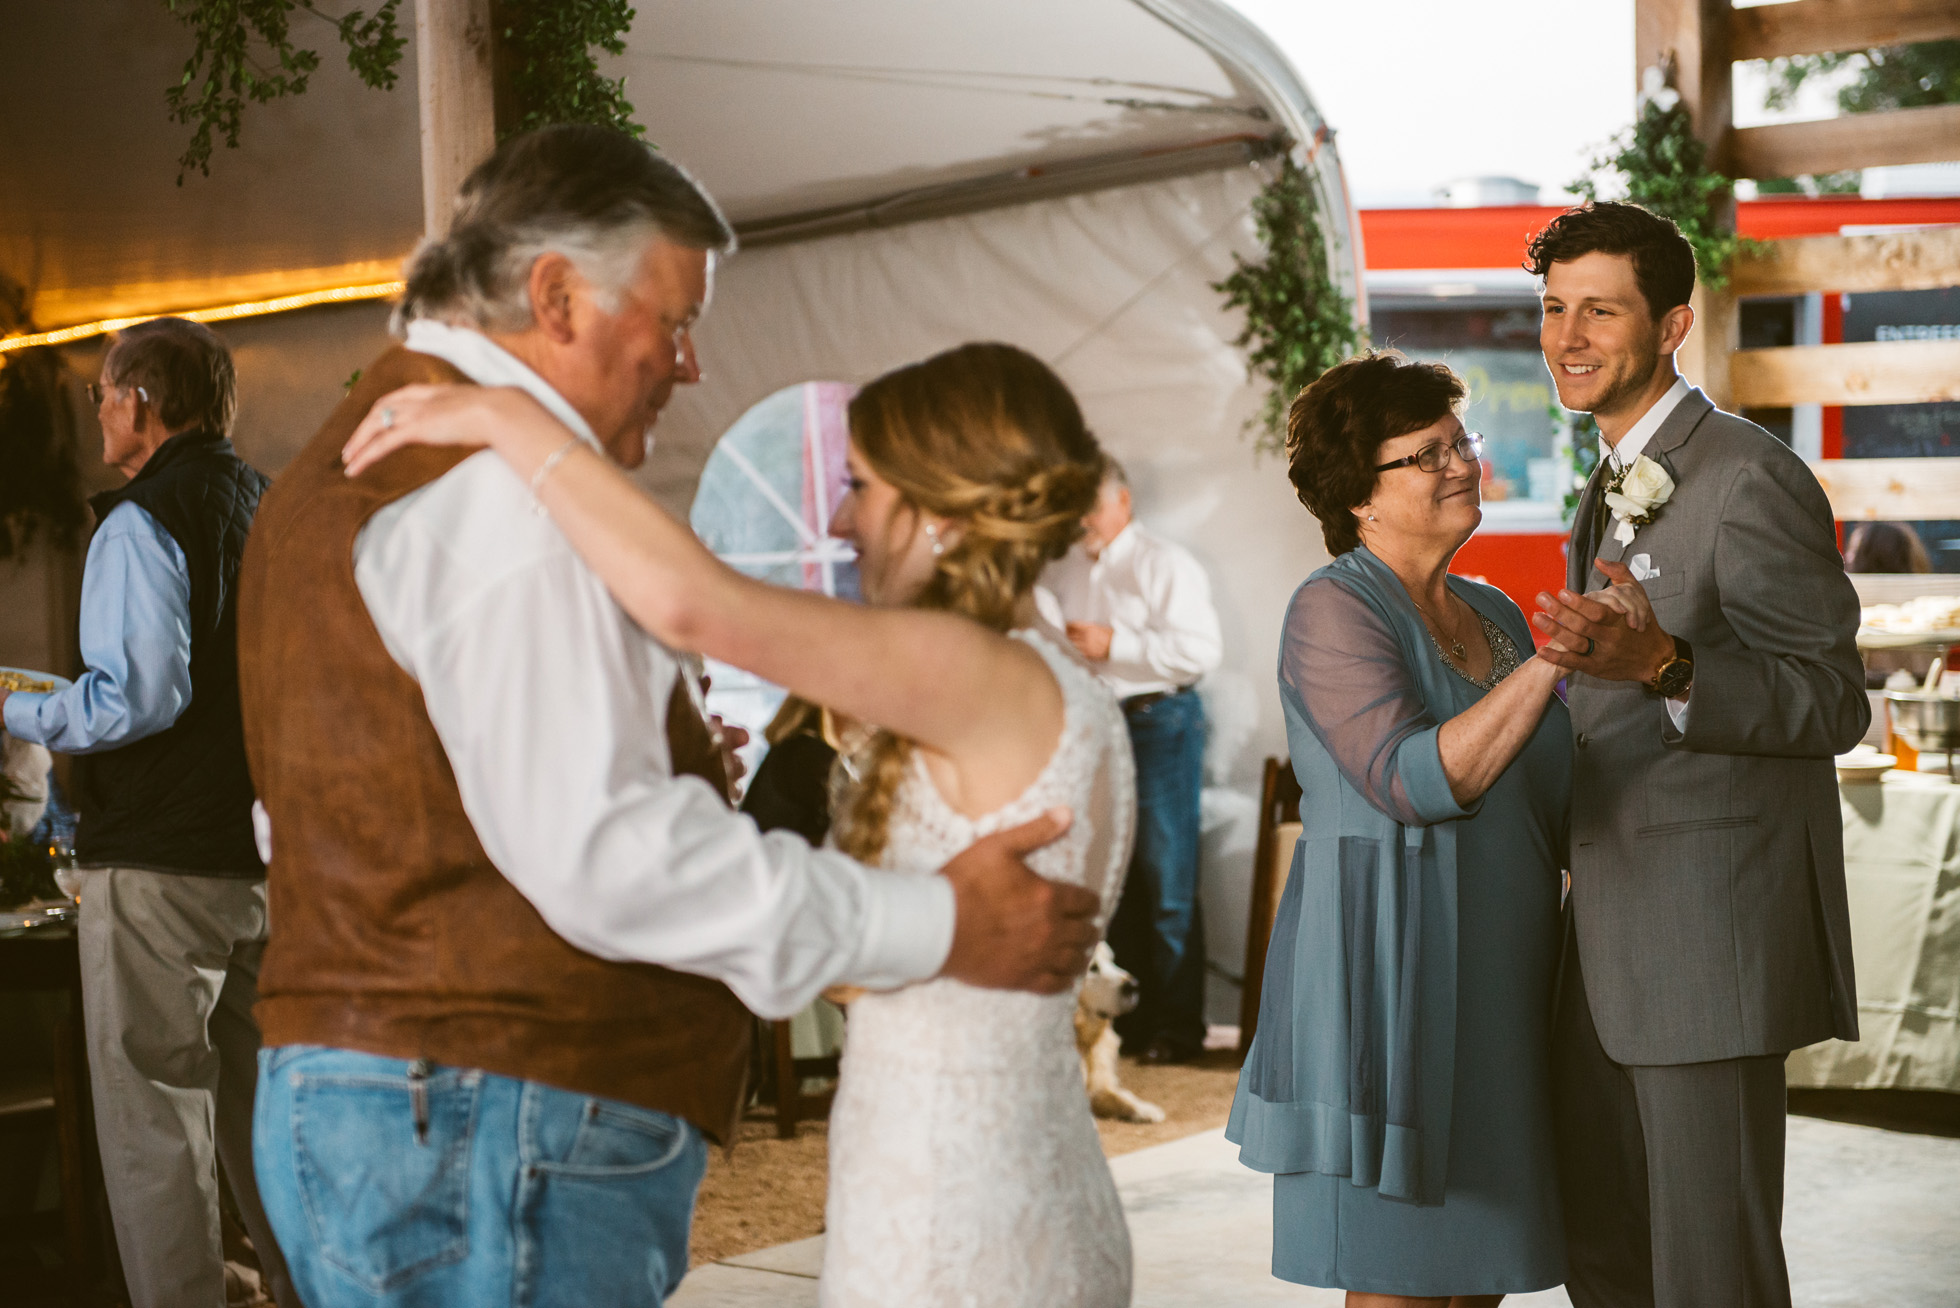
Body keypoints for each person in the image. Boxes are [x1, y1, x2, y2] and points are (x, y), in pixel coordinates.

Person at [243, 126, 1103, 1308]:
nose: (690, 365)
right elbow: (612, 858)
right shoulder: (501, 494)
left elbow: (314, 816)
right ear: (555, 297)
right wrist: (932, 922)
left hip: (386, 1102)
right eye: (678, 319)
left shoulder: (334, 472)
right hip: (505, 1116)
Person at [1527, 201, 1866, 1308]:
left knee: (1709, 1271)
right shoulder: (1609, 473)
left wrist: (1670, 666)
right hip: (1601, 938)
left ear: (1670, 325)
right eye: (1552, 308)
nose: (1567, 336)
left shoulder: (1742, 475)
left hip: (1705, 948)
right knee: (1608, 1255)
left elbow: (1831, 701)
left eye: (1599, 310)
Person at [1227, 350, 1572, 1305]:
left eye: (1461, 441)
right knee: (1401, 1278)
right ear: (1361, 496)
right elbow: (1411, 778)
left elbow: (1563, 789)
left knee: (1479, 1276)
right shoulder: (1332, 608)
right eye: (1428, 454)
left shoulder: (1496, 609)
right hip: (1388, 970)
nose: (1462, 463)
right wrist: (1557, 668)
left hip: (1503, 976)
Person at [0, 318, 292, 1308]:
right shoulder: (266, 506)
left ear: (142, 402)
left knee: (155, 1122)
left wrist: (21, 705)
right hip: (259, 860)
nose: (96, 414)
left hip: (160, 867)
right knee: (268, 1121)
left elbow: (138, 698)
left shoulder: (139, 520)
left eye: (102, 395)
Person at [1037, 459, 1222, 1063]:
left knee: (1167, 879)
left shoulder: (1164, 564)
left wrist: (1117, 645)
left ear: (1123, 500)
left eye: (1091, 504)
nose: (1084, 518)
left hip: (1160, 724)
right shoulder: (1062, 571)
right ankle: (1130, 1025)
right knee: (1112, 880)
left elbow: (1201, 652)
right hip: (1093, 732)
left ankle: (1177, 1028)